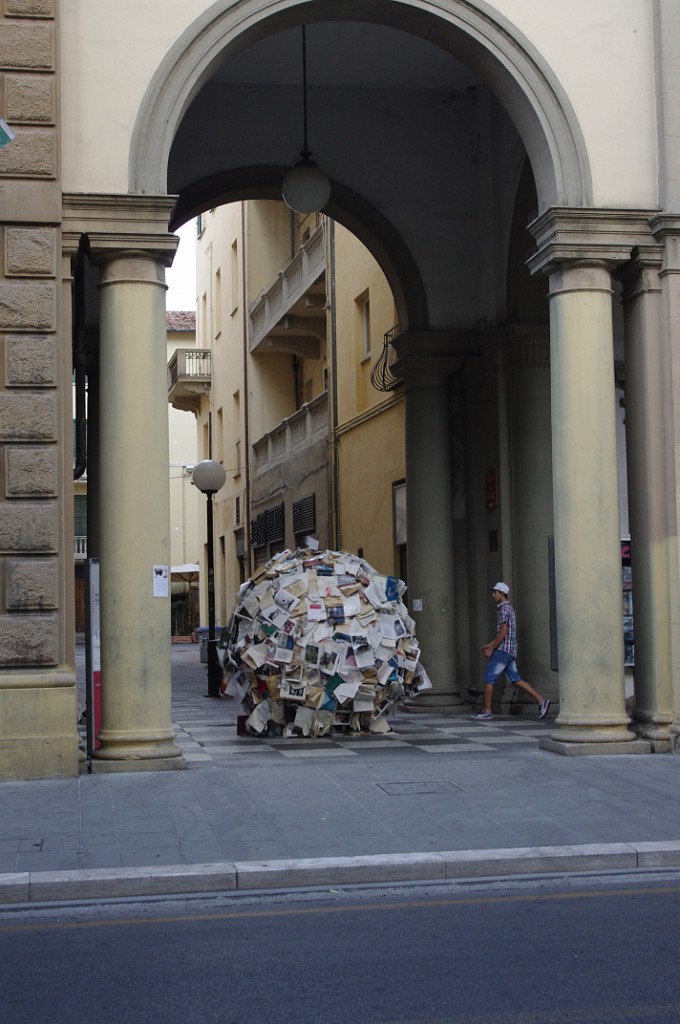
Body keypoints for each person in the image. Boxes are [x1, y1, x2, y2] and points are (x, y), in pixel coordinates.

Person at [471, 582, 550, 721]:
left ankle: (487, 711)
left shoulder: (504, 609)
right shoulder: (508, 608)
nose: (493, 595)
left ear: (502, 593)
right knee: (515, 679)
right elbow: (504, 634)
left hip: (503, 651)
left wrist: (492, 648)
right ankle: (541, 700)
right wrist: (491, 645)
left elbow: (503, 633)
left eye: (495, 592)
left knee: (489, 679)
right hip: (510, 650)